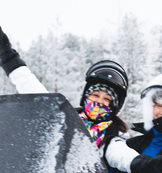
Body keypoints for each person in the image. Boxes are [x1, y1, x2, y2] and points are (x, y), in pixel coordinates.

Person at [0, 26, 130, 150]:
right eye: (95, 95)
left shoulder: (115, 139)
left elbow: (122, 157)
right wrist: (7, 56)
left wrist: (143, 164)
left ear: (114, 106)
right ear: (85, 97)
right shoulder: (65, 120)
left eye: (106, 99)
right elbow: (32, 89)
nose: (99, 102)